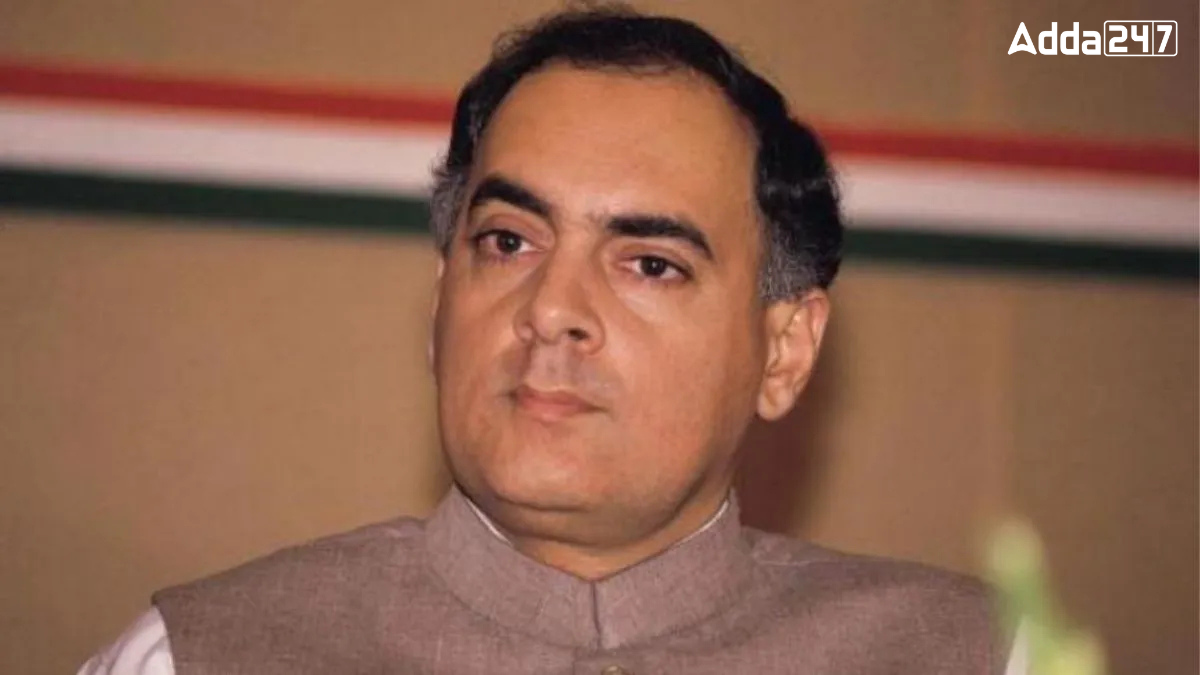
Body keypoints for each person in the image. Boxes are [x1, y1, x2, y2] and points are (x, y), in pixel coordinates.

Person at [81, 6, 1019, 674]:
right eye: (508, 242)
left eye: (649, 262)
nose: (551, 308)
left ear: (784, 351)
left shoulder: (976, 657)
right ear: (441, 303)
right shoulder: (197, 657)